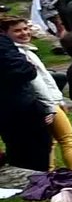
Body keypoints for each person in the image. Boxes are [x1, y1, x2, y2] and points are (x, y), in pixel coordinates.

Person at [1, 17, 72, 174]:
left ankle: (47, 173)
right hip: (44, 103)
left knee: (49, 141)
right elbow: (37, 83)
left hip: (42, 103)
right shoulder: (17, 53)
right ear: (5, 34)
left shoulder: (25, 50)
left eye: (25, 28)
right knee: (68, 139)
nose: (24, 33)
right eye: (17, 31)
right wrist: (52, 104)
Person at [0, 19, 52, 171]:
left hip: (13, 106)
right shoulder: (3, 44)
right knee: (32, 150)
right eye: (17, 30)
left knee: (20, 147)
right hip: (17, 106)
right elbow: (24, 69)